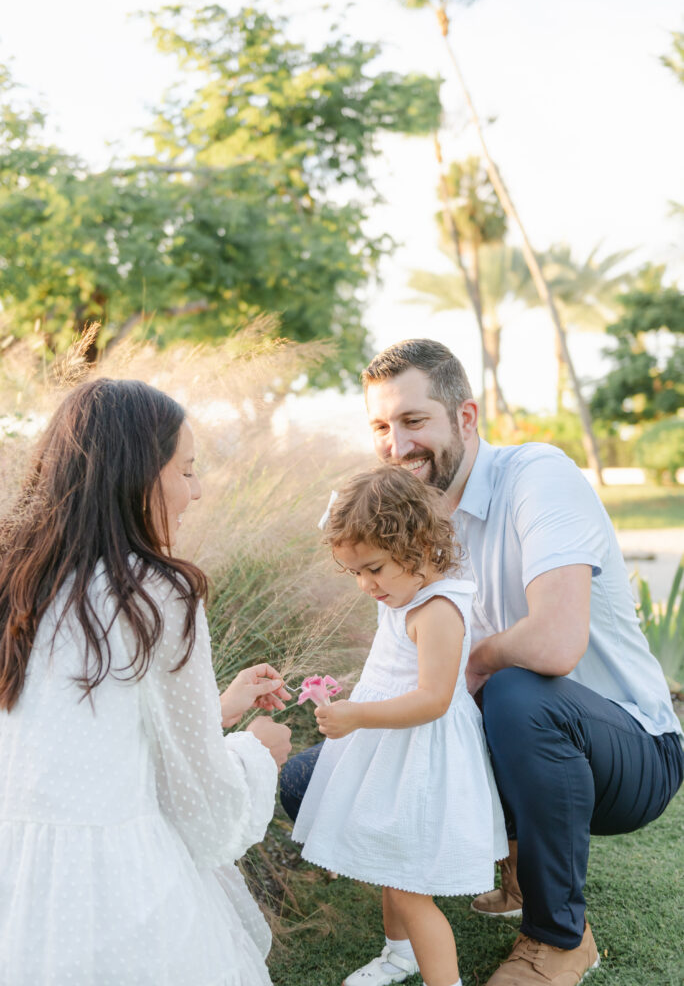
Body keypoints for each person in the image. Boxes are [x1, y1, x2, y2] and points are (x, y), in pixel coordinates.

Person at [281, 339, 684, 986]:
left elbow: (555, 646)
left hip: (627, 747)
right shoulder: (411, 522)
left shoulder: (538, 476)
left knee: (517, 692)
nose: (396, 444)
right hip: (512, 736)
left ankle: (560, 938)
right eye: (381, 427)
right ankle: (506, 864)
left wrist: (467, 667)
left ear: (465, 419)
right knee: (316, 778)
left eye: (414, 422)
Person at [0, 378, 292, 986]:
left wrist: (220, 709)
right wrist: (257, 754)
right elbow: (201, 801)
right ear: (137, 475)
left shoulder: (19, 580)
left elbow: (72, 745)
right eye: (185, 471)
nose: (198, 490)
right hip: (115, 887)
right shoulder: (158, 592)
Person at [292, 465, 507, 986]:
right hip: (392, 749)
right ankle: (397, 955)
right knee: (388, 866)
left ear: (418, 544)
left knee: (411, 886)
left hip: (421, 758)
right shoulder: (402, 593)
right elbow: (395, 670)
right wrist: (354, 694)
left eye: (373, 568)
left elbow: (433, 698)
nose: (365, 585)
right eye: (355, 574)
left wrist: (360, 715)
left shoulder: (436, 610)